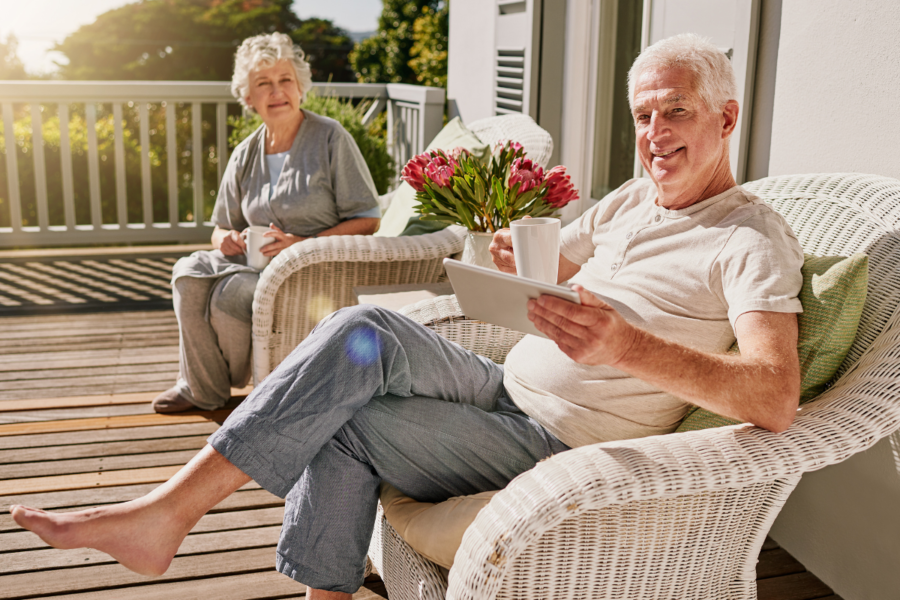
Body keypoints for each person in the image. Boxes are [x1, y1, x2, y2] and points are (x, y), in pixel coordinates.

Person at [10, 34, 804, 599]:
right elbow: (556, 266)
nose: (654, 137)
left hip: (555, 436)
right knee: (361, 334)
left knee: (342, 415)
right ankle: (170, 519)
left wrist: (627, 344)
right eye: (643, 117)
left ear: (725, 121)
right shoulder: (635, 199)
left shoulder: (750, 237)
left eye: (675, 114)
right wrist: (510, 260)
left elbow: (774, 395)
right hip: (499, 380)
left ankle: (169, 518)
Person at [152, 32, 381, 414]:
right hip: (254, 262)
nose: (277, 92)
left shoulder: (330, 138)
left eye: (285, 80)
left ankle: (241, 384)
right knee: (187, 273)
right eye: (264, 84)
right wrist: (226, 239)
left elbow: (368, 219)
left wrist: (300, 243)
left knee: (231, 293)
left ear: (300, 87)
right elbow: (220, 227)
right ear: (249, 98)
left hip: (310, 268)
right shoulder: (246, 152)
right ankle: (202, 388)